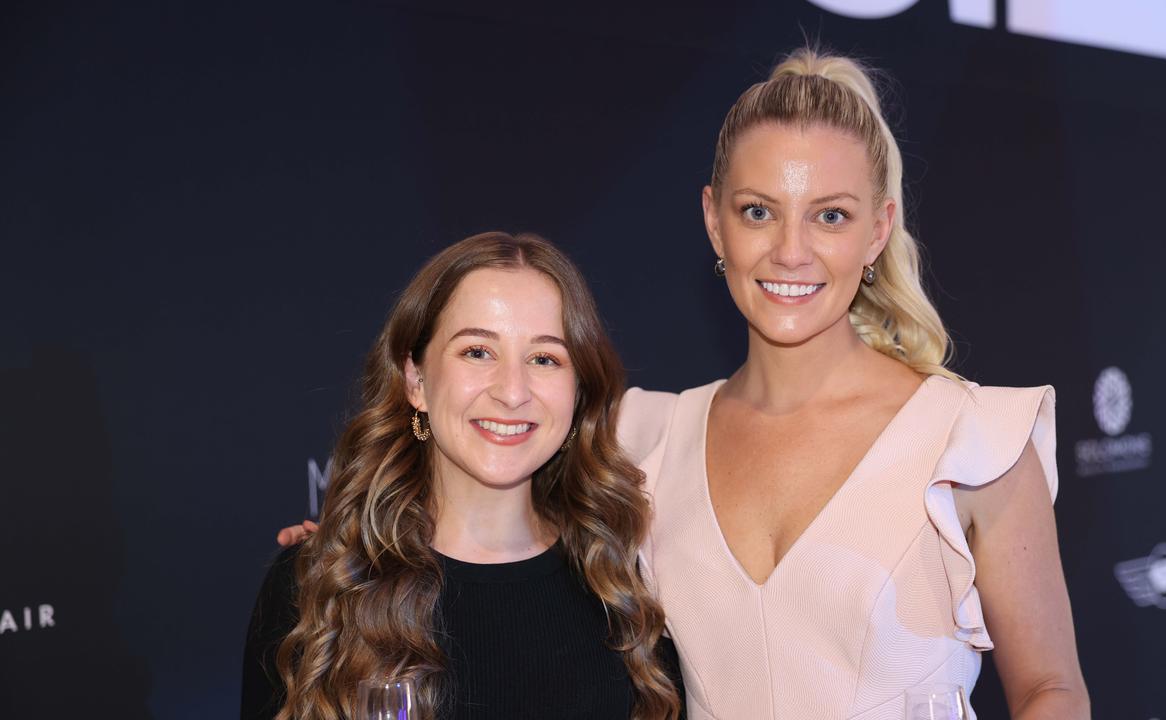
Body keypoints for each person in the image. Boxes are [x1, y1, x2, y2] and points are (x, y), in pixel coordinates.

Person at [278, 48, 1089, 719]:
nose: (792, 252)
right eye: (759, 211)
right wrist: (352, 556)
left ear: (879, 228)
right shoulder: (646, 439)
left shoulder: (973, 441)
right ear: (714, 221)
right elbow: (492, 491)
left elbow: (1052, 690)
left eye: (831, 216)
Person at [243, 232, 681, 720]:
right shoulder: (320, 590)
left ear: (577, 392)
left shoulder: (628, 586)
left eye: (544, 358)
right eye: (477, 351)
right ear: (416, 380)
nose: (512, 391)